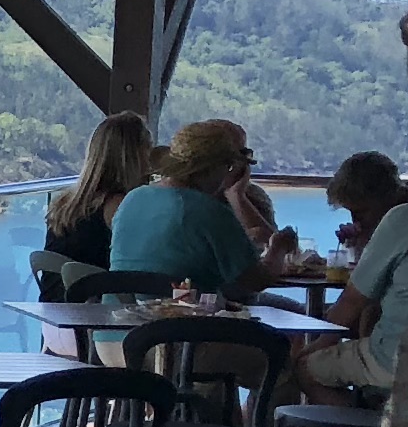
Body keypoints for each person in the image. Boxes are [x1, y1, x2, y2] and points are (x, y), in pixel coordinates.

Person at [299, 151, 408, 401]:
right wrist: (363, 245)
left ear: (384, 197)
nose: (355, 221)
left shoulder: (403, 218)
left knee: (306, 369)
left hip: (399, 358)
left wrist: (314, 348)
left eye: (360, 213)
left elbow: (352, 302)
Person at [109, 118, 304, 300]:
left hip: (110, 327)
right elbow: (255, 281)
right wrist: (278, 248)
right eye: (227, 166)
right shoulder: (209, 211)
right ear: (211, 168)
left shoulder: (133, 198)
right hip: (181, 330)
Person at [39, 114, 156, 292]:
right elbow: (143, 261)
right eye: (149, 149)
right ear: (135, 155)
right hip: (94, 310)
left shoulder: (64, 203)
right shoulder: (119, 206)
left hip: (53, 311)